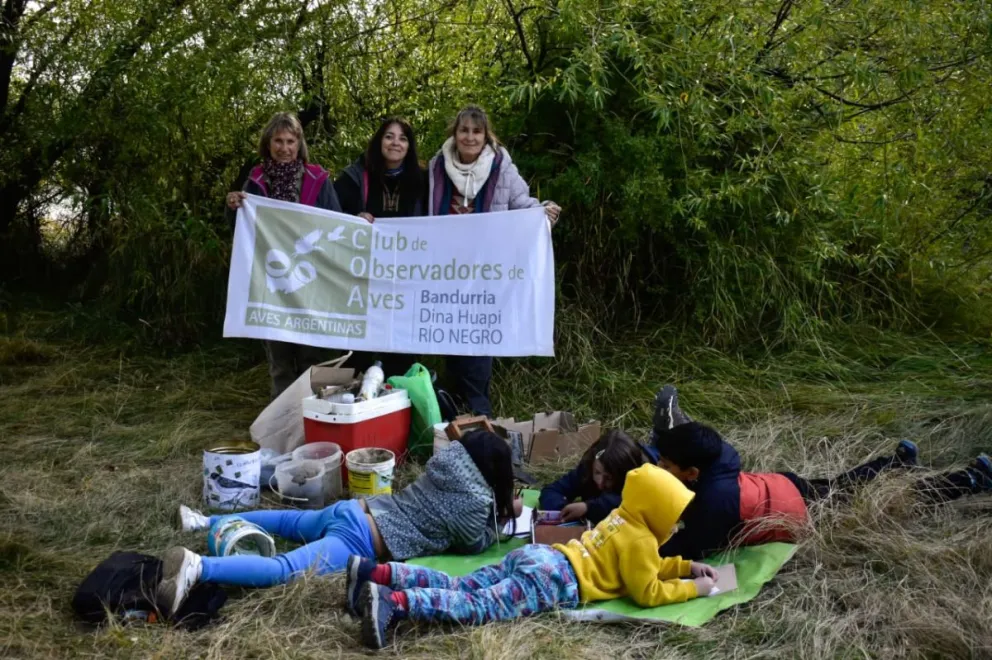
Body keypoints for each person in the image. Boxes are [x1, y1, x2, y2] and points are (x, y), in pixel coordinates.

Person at [345, 464, 717, 649]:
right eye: (673, 517)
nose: (674, 526)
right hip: (553, 581)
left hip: (542, 557)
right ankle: (395, 603)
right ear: (656, 511)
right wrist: (692, 590)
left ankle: (375, 574)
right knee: (477, 606)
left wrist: (683, 567)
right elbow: (646, 590)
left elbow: (646, 567)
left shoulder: (622, 518)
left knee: (463, 584)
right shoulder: (641, 542)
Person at [155, 431, 520, 618]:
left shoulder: (445, 464)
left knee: (287, 520)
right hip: (362, 538)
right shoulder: (474, 503)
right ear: (495, 474)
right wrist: (503, 517)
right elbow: (473, 544)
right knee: (283, 569)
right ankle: (199, 566)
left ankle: (204, 519)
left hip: (352, 509)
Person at [653, 417, 992, 560]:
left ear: (692, 471)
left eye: (666, 465)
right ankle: (896, 463)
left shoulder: (714, 503)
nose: (660, 469)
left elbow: (690, 547)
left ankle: (969, 480)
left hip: (804, 514)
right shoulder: (721, 454)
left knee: (898, 502)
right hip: (787, 485)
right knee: (844, 484)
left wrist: (644, 551)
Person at [426, 105, 562, 417]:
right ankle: (451, 417)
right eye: (464, 130)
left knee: (478, 344)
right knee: (451, 342)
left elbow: (520, 204)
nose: (470, 137)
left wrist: (541, 212)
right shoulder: (436, 167)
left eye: (476, 131)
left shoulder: (502, 168)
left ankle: (479, 417)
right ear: (455, 134)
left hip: (485, 274)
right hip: (445, 273)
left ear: (486, 136)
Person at [225, 112, 343, 398]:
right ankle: (282, 423)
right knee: (279, 361)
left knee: (311, 356)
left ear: (299, 144)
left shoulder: (318, 178)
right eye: (278, 140)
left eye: (291, 141)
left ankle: (314, 419)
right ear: (268, 144)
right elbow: (242, 232)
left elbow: (337, 223)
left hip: (310, 280)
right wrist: (233, 207)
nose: (285, 147)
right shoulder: (255, 181)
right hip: (271, 283)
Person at [333, 117, 426, 378]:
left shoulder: (423, 180)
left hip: (405, 278)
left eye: (403, 138)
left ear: (409, 146)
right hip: (363, 276)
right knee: (358, 347)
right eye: (389, 136)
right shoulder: (356, 176)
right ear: (379, 141)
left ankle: (400, 406)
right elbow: (330, 213)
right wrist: (354, 219)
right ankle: (351, 405)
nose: (395, 142)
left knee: (401, 347)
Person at [538, 429, 655, 524]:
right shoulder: (588, 468)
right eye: (597, 472)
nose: (600, 482)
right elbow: (552, 490)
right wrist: (563, 510)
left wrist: (588, 508)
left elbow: (630, 505)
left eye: (608, 478)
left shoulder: (643, 478)